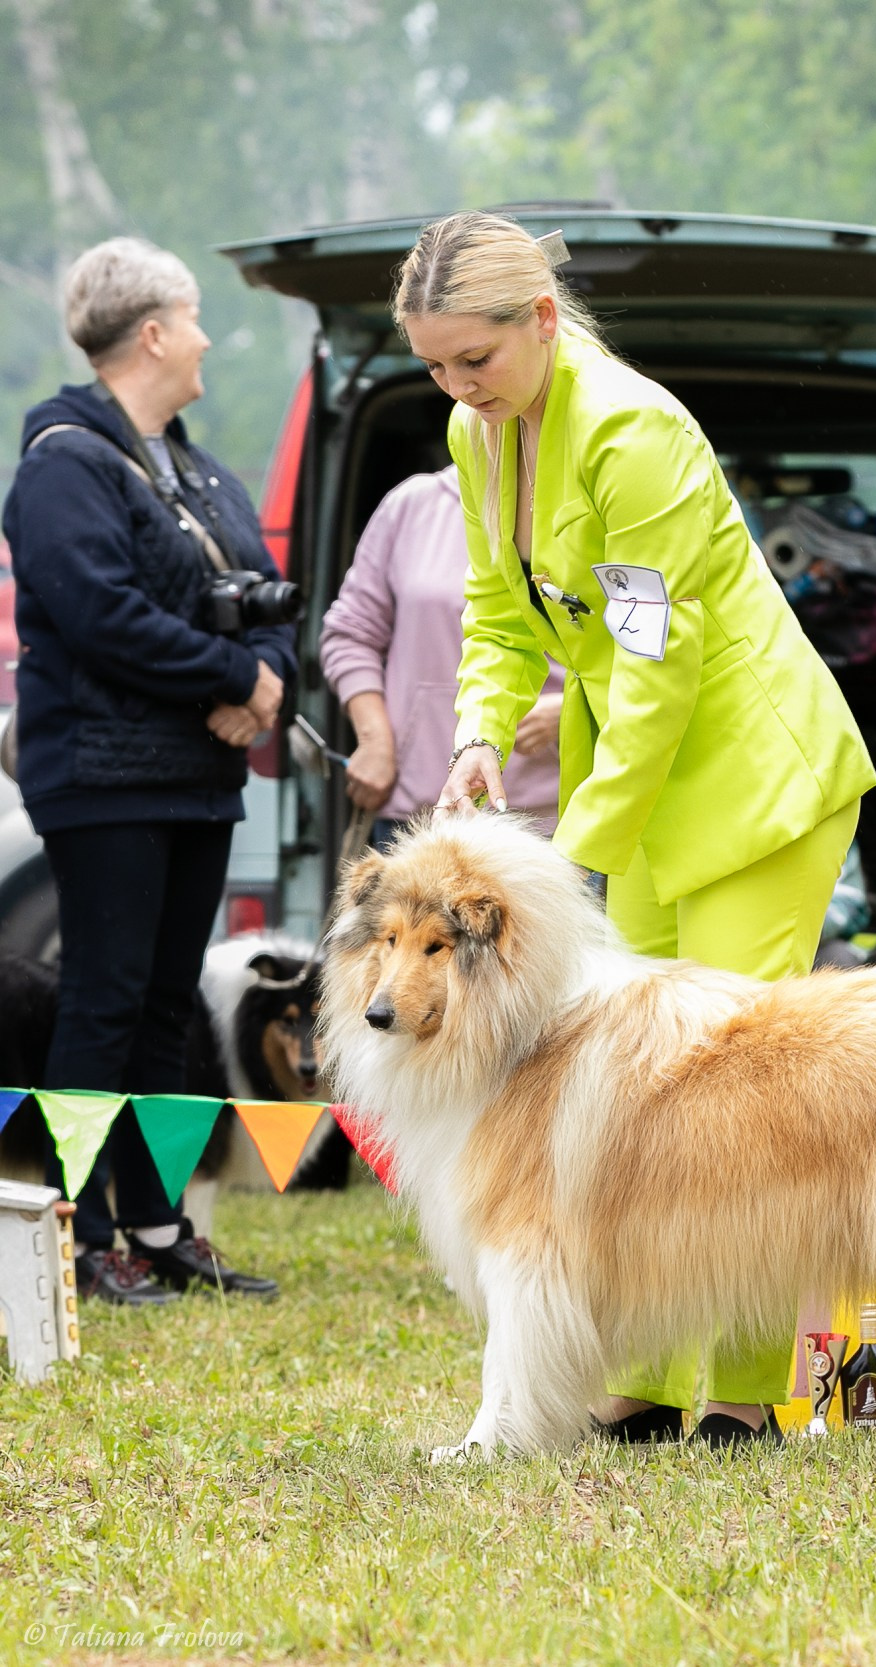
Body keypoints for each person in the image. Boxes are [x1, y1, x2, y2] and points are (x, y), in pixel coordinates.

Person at [401, 211, 876, 1446]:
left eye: (474, 359)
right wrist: (479, 733)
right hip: (640, 782)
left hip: (754, 785)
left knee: (738, 1103)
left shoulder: (635, 433)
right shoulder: (477, 432)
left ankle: (746, 1394)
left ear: (540, 320)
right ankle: (651, 1380)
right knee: (634, 1100)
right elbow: (498, 613)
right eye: (435, 366)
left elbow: (659, 666)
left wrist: (566, 857)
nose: (457, 388)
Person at [1, 237, 293, 1304]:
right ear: (155, 333)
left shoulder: (198, 469)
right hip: (102, 775)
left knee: (168, 1004)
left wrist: (267, 677)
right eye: (196, 318)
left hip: (194, 774)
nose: (209, 339)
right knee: (104, 1001)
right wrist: (233, 674)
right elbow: (100, 613)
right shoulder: (62, 464)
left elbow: (266, 590)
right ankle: (80, 1239)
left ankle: (159, 1223)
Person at [318, 462, 563, 842]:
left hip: (550, 820)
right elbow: (351, 633)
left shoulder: (584, 501)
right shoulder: (414, 504)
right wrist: (375, 740)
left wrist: (568, 710)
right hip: (421, 815)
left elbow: (639, 648)